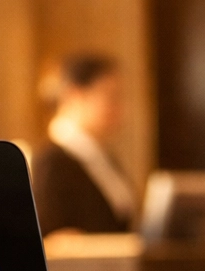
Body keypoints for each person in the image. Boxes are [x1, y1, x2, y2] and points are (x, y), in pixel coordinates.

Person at [32, 53, 138, 237]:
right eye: (110, 96)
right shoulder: (50, 161)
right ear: (75, 94)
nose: (119, 108)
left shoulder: (102, 157)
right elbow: (54, 237)